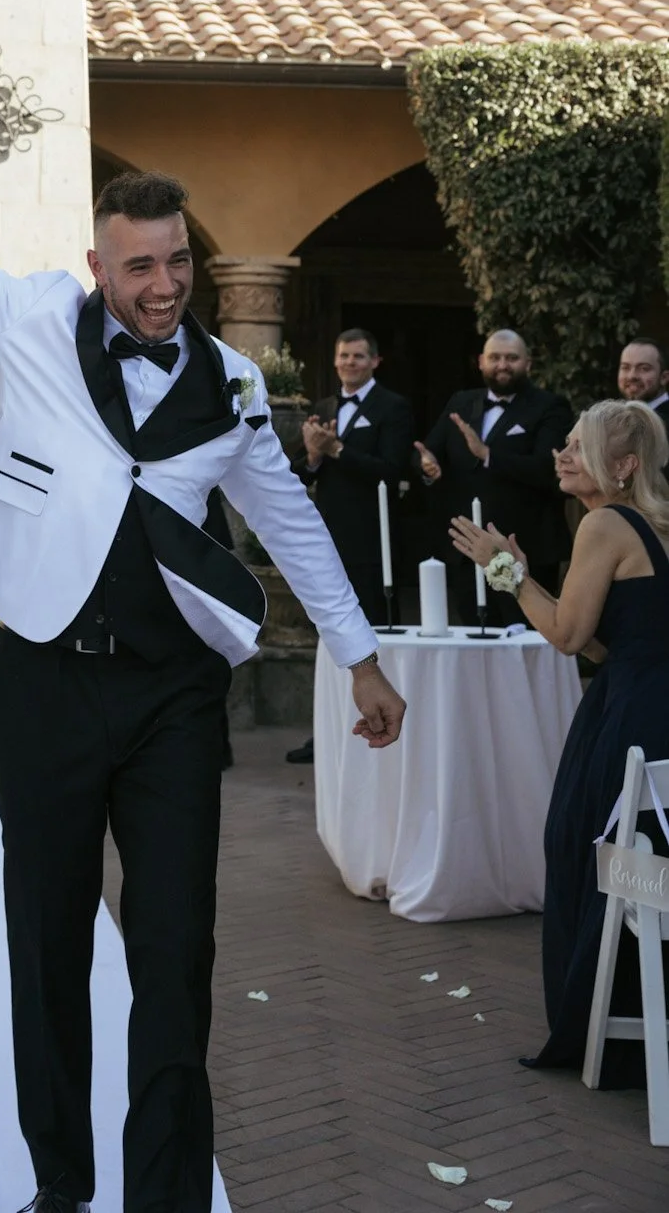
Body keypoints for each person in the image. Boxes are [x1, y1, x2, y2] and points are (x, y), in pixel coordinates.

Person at [0, 6, 404, 1213]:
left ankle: (163, 1195)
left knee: (175, 950)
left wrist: (361, 653)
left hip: (172, 693)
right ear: (100, 260)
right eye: (140, 265)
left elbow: (290, 522)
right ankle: (59, 1185)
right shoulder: (25, 320)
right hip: (45, 676)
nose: (163, 285)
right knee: (47, 939)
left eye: (178, 261)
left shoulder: (228, 381)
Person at [451, 399, 669, 1087]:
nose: (561, 454)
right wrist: (531, 576)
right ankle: (632, 1024)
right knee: (641, 862)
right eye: (564, 443)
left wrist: (501, 572)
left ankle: (599, 1029)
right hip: (650, 705)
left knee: (590, 851)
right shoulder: (654, 522)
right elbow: (618, 640)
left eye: (579, 446)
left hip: (627, 716)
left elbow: (570, 640)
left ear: (624, 466)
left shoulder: (605, 523)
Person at [284, 327, 413, 763]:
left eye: (358, 356)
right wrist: (315, 455)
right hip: (328, 535)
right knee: (325, 631)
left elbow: (391, 470)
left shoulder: (393, 407)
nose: (349, 363)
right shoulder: (324, 406)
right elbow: (299, 471)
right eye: (343, 356)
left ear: (375, 361)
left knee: (365, 635)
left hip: (371, 541)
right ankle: (326, 732)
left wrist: (337, 448)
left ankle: (373, 720)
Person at [417, 329, 572, 606]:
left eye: (512, 358)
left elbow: (546, 469)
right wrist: (427, 464)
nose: (502, 365)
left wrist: (488, 455)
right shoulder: (461, 402)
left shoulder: (551, 406)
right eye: (495, 357)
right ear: (480, 362)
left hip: (526, 547)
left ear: (528, 363)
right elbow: (430, 450)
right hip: (466, 548)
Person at [617, 339, 669, 415]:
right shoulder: (613, 419)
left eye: (644, 368)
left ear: (664, 377)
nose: (632, 376)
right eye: (625, 367)